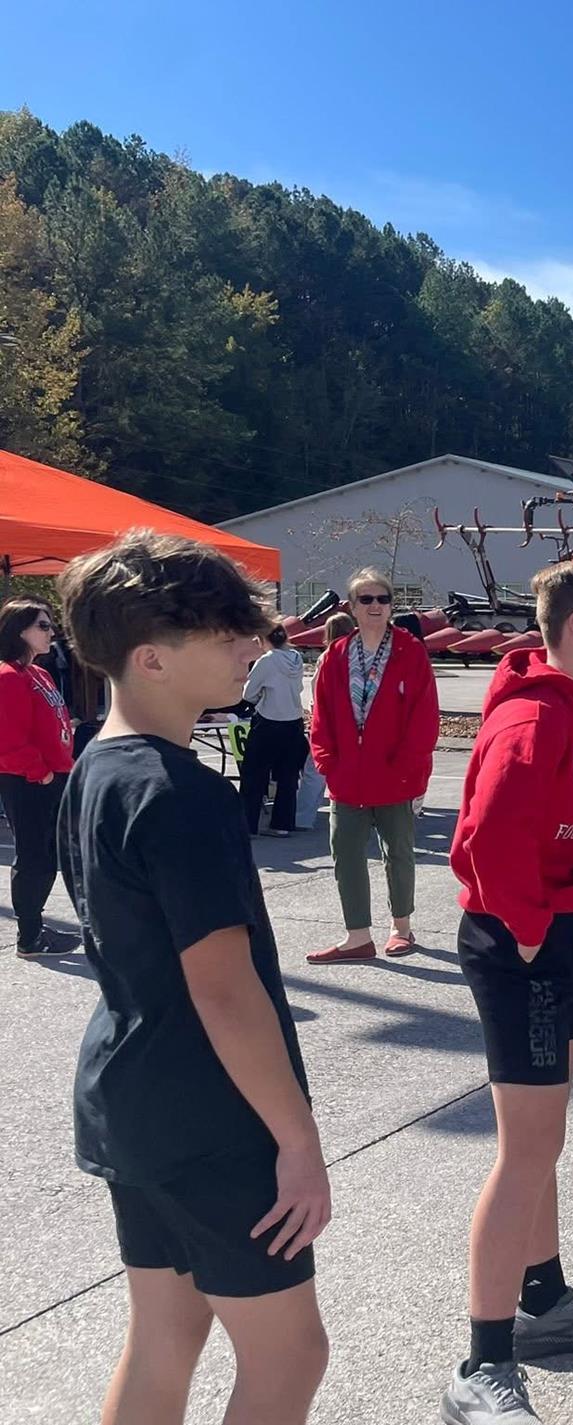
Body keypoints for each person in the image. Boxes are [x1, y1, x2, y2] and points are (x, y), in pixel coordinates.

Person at [56, 533, 329, 1424]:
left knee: (165, 1337)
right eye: (227, 635)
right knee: (290, 1354)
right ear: (152, 658)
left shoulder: (96, 764)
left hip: (131, 1100)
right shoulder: (182, 792)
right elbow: (223, 987)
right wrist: (296, 1137)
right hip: (211, 1114)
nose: (252, 647)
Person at [442, 561, 573, 1423]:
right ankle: (482, 1363)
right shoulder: (532, 715)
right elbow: (485, 835)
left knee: (544, 1138)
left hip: (560, 929)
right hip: (522, 941)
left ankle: (546, 1302)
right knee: (525, 1151)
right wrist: (530, 926)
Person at [307, 570, 439, 963]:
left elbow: (424, 716)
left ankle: (402, 928)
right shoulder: (336, 655)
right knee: (345, 854)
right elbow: (322, 716)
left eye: (383, 599)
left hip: (395, 775)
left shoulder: (409, 651)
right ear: (352, 606)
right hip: (347, 777)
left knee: (398, 853)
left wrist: (410, 766)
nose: (376, 606)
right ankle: (357, 936)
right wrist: (328, 763)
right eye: (367, 600)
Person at [0, 599, 75, 957]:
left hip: (53, 776)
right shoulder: (8, 677)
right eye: (43, 626)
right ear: (19, 630)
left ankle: (37, 931)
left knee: (48, 856)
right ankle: (29, 937)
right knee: (34, 857)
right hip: (27, 780)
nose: (51, 632)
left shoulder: (39, 673)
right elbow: (8, 739)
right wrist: (41, 773)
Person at [240, 623, 310, 840]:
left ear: (263, 639)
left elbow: (248, 693)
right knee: (288, 777)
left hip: (269, 721)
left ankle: (248, 825)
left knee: (254, 775)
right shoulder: (296, 658)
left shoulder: (266, 661)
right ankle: (282, 824)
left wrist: (260, 696)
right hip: (293, 721)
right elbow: (298, 688)